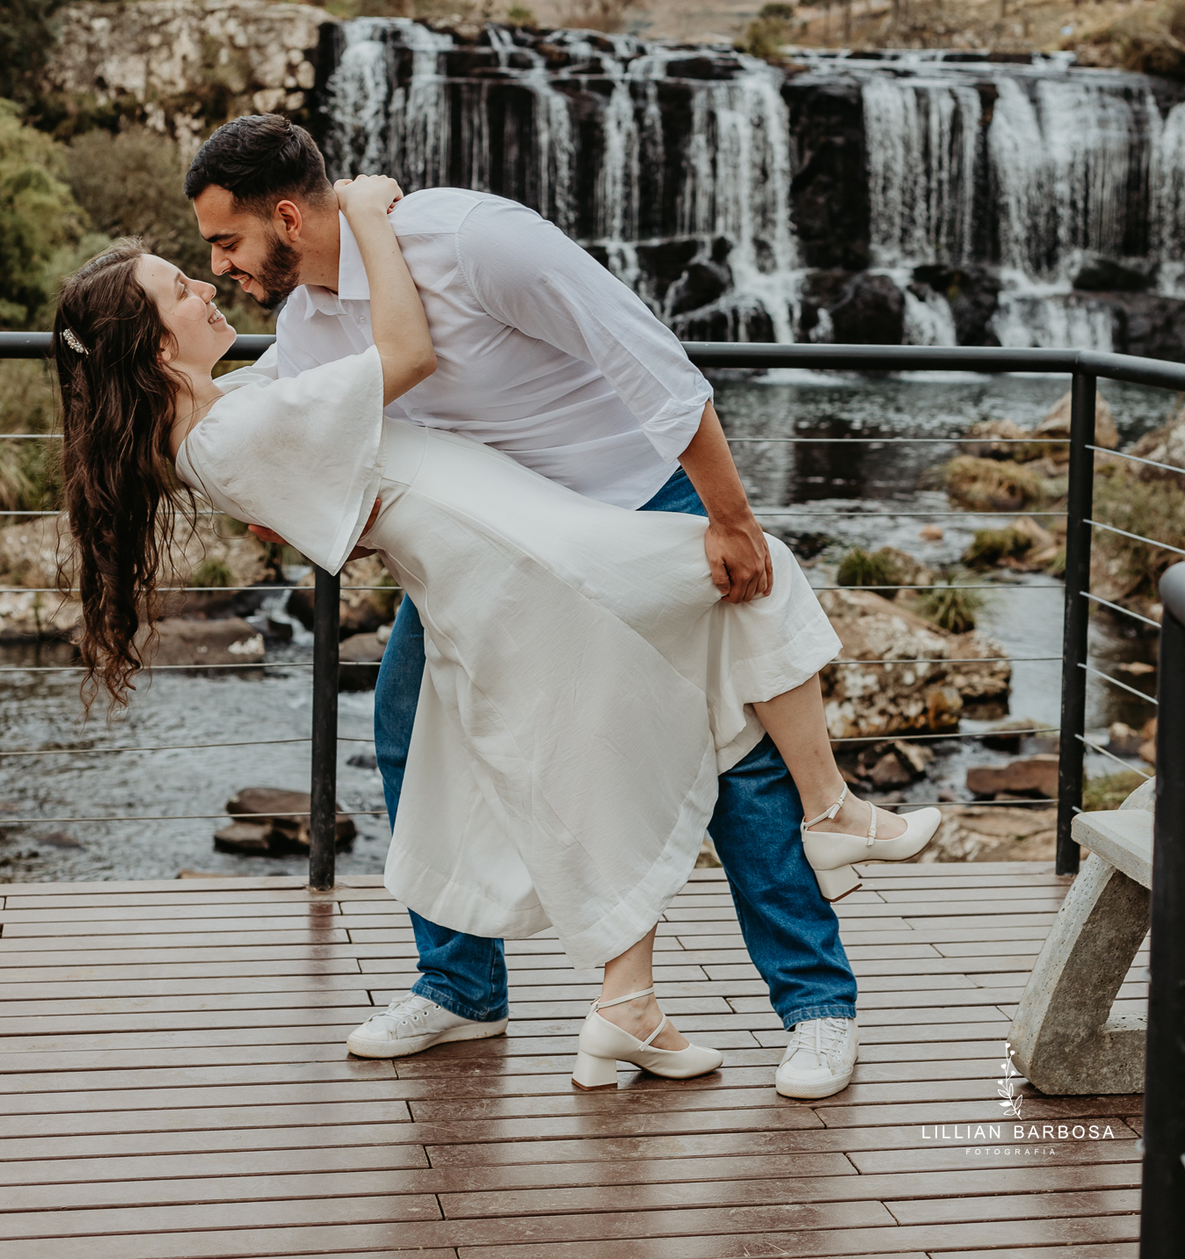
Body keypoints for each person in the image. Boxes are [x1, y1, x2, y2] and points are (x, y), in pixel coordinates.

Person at [56, 182, 939, 1093]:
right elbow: (397, 364)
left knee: (667, 712)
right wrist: (363, 215)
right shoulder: (261, 384)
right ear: (159, 346)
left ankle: (806, 999)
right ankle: (532, 985)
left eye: (219, 245)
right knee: (581, 738)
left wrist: (728, 510)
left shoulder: (449, 253)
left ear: (285, 216)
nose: (212, 276)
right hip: (504, 552)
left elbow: (644, 364)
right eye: (185, 280)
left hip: (580, 505)